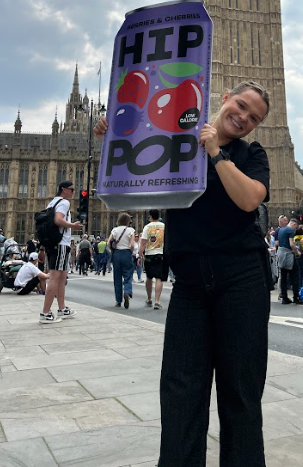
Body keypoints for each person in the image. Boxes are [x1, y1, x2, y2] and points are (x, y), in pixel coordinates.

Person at [95, 79, 271, 467]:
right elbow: (129, 184)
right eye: (240, 106)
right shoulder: (176, 141)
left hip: (241, 279)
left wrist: (215, 154)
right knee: (179, 390)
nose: (243, 117)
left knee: (240, 392)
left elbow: (249, 200)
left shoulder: (251, 154)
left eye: (253, 117)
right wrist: (116, 138)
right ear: (225, 98)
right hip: (190, 284)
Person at [39, 181, 82, 324]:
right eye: (71, 189)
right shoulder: (64, 203)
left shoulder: (52, 203)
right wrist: (72, 225)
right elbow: (58, 220)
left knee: (62, 276)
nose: (73, 192)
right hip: (60, 244)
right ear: (63, 190)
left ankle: (62, 308)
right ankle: (45, 313)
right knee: (55, 277)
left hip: (53, 244)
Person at [139, 209, 167, 309]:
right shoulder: (164, 226)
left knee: (149, 277)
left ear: (150, 216)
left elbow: (143, 242)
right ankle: (157, 301)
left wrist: (139, 254)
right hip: (161, 254)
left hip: (149, 255)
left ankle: (149, 298)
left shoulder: (147, 227)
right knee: (159, 278)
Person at [108, 213, 135, 308]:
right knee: (128, 275)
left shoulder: (115, 230)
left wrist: (113, 251)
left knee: (117, 277)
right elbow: (132, 245)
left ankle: (118, 301)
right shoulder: (130, 230)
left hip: (117, 254)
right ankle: (127, 291)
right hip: (126, 253)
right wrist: (130, 252)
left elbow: (109, 243)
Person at [277, 217, 301, 305]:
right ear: (294, 224)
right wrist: (297, 252)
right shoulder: (290, 230)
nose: (295, 230)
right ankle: (296, 297)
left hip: (281, 253)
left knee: (283, 276)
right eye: (296, 227)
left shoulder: (281, 230)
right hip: (288, 254)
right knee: (294, 276)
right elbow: (291, 244)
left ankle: (284, 297)